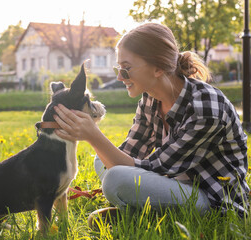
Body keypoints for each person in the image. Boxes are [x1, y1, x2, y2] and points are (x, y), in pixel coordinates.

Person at [53, 22, 250, 223]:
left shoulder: (206, 107)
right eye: (118, 69)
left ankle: (139, 213)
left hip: (214, 204)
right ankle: (143, 212)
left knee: (115, 178)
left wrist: (93, 136)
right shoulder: (150, 99)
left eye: (126, 69)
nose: (120, 77)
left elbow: (155, 168)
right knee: (102, 161)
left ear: (157, 68)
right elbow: (130, 152)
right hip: (176, 185)